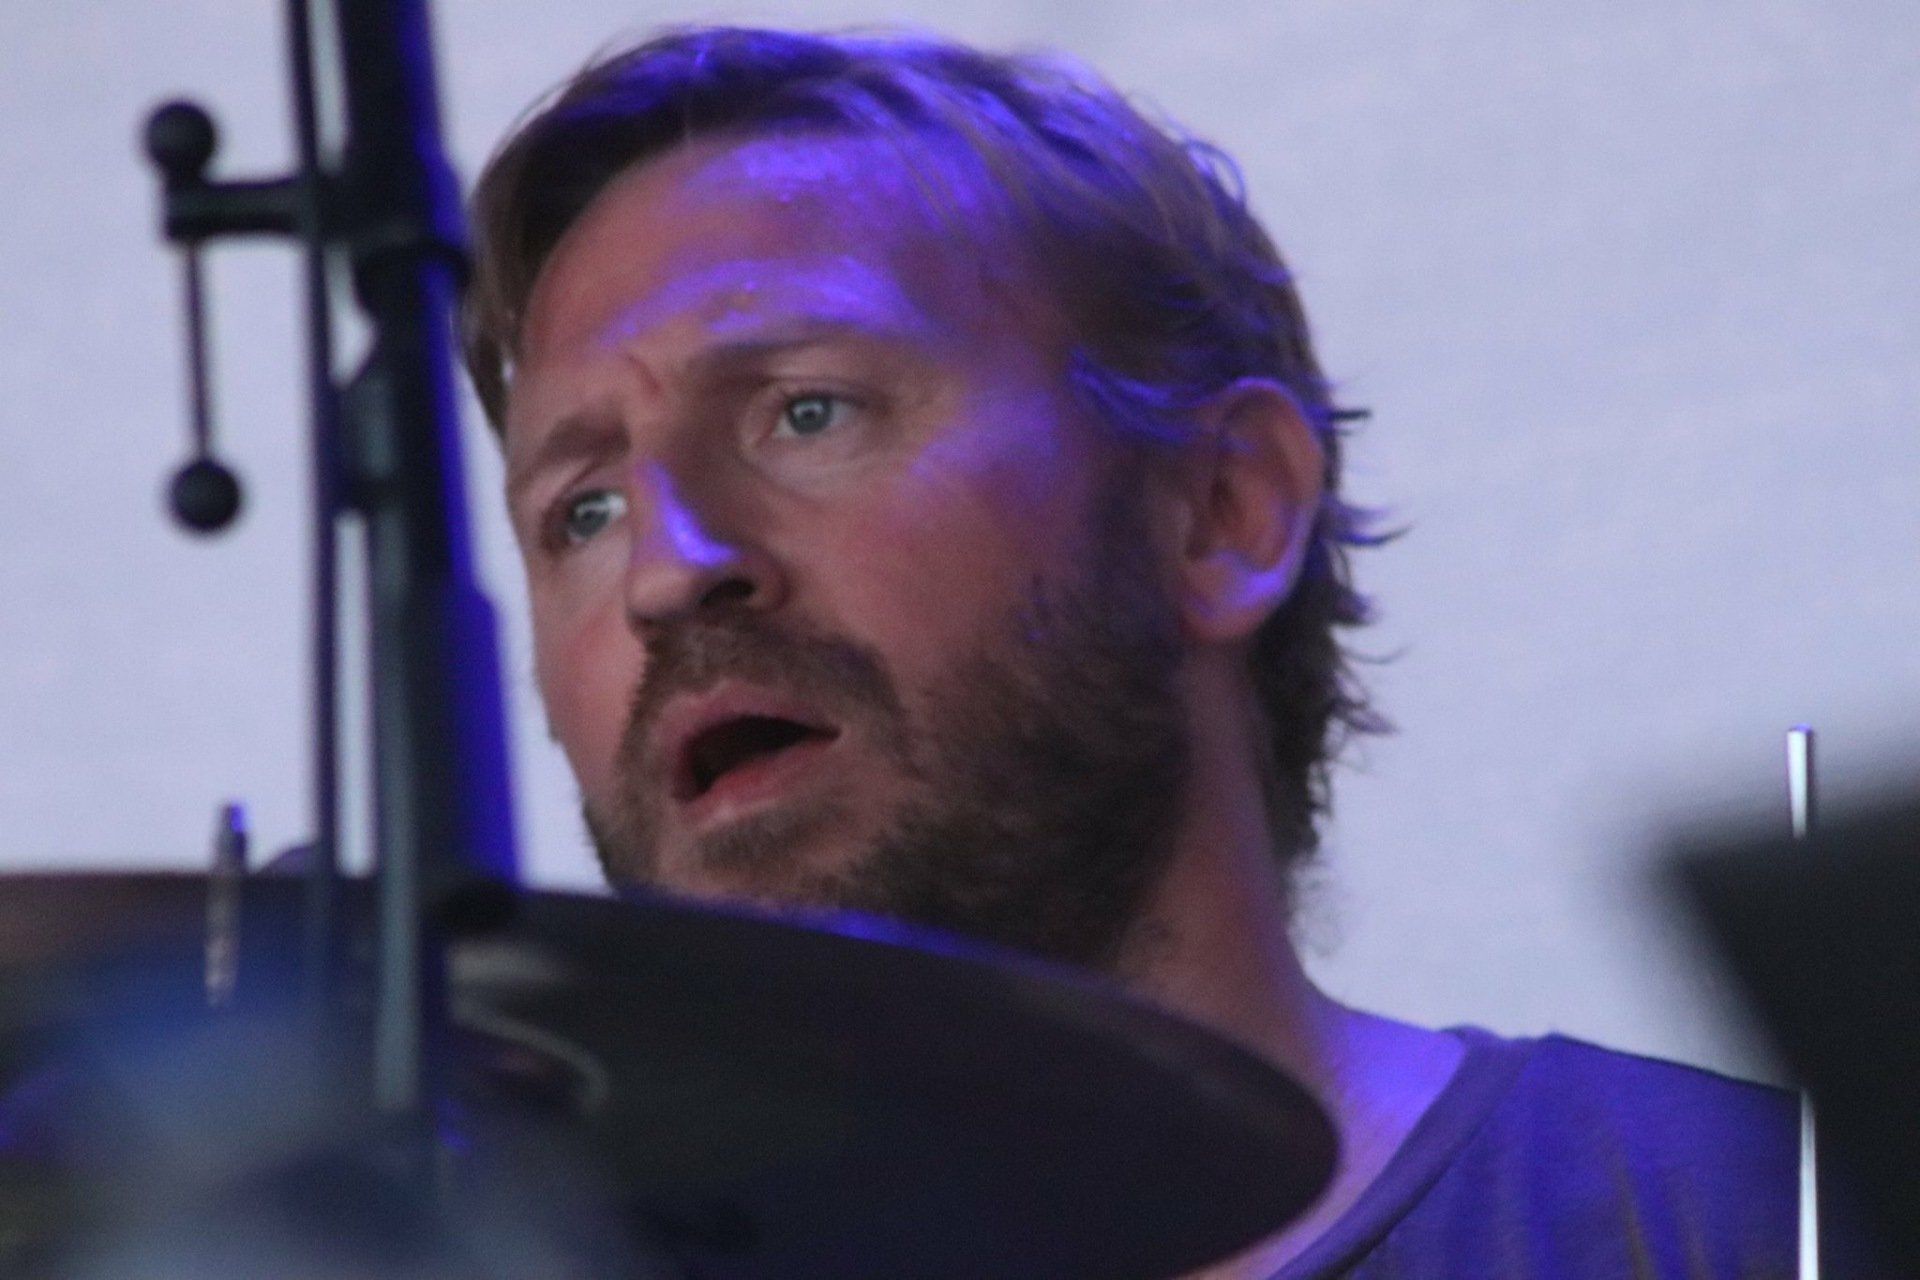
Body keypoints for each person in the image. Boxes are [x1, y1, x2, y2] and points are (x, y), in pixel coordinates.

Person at [460, 27, 1795, 1278]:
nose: (668, 568)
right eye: (584, 511)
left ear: (1222, 511)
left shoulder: (1747, 1218)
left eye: (807, 411)